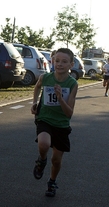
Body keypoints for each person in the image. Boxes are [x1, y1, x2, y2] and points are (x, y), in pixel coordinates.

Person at [30, 48, 78, 197]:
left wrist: (60, 98)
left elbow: (69, 113)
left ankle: (52, 181)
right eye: (57, 61)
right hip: (44, 118)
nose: (60, 64)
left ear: (71, 64)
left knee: (56, 160)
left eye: (64, 62)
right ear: (52, 62)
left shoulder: (72, 84)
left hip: (62, 124)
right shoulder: (45, 78)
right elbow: (37, 87)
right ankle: (41, 160)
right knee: (43, 143)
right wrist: (35, 102)